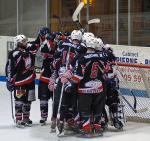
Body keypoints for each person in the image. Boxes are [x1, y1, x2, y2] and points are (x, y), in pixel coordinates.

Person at [67, 36, 108, 136]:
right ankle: (98, 129)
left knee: (85, 109)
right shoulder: (103, 56)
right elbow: (106, 72)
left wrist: (70, 82)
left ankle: (86, 129)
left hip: (85, 89)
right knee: (98, 108)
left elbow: (79, 76)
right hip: (98, 88)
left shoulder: (82, 58)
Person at [49, 30, 87, 134]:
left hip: (60, 74)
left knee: (58, 100)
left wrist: (54, 75)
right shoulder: (81, 47)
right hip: (71, 75)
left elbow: (55, 61)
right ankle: (65, 121)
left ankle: (55, 120)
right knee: (70, 100)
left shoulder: (63, 43)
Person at [5, 35, 36, 128]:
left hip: (30, 80)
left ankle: (26, 118)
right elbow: (9, 67)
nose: (26, 43)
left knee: (28, 100)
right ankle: (19, 119)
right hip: (20, 81)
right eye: (24, 41)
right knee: (19, 100)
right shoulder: (14, 53)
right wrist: (9, 80)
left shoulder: (29, 52)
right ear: (18, 43)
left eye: (26, 41)